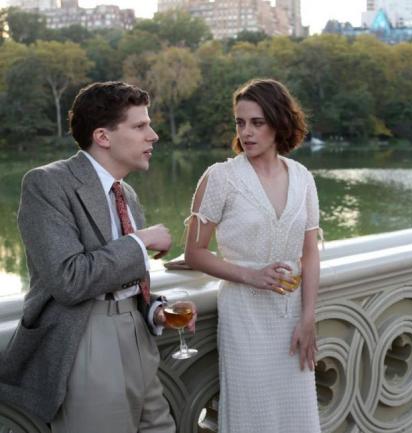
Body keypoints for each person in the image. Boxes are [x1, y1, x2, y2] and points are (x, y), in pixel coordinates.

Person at [0, 81, 196, 433]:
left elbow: (126, 280)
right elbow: (68, 280)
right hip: (85, 340)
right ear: (103, 137)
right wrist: (139, 243)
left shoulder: (127, 193)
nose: (153, 135)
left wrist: (155, 309)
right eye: (139, 126)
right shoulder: (46, 184)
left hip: (139, 338)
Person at [184, 78, 321, 433]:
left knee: (296, 415)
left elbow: (310, 254)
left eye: (257, 123)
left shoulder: (303, 178)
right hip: (243, 314)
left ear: (278, 123)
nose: (246, 132)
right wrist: (251, 275)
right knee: (252, 415)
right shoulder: (220, 178)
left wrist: (308, 318)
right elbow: (195, 253)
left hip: (291, 313)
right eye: (240, 123)